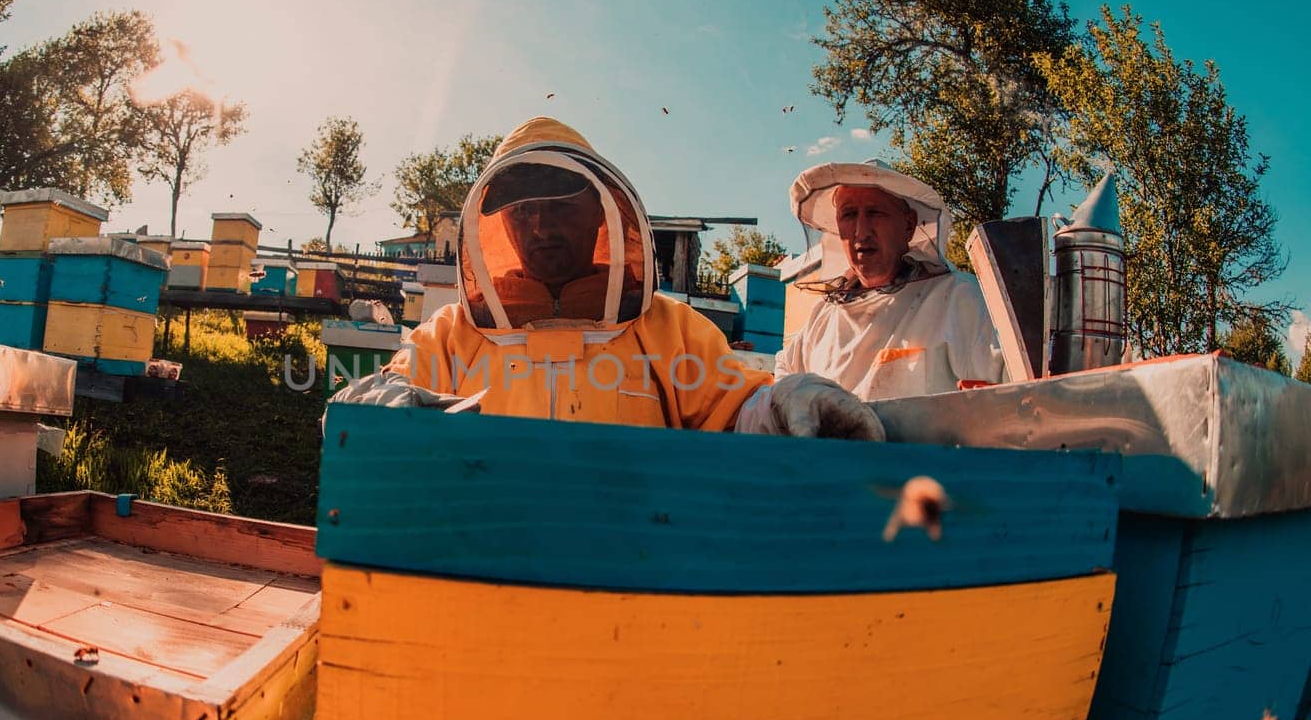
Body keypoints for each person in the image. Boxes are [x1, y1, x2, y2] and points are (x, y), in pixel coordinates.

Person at [333, 117, 883, 440]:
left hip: (634, 582)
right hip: (482, 575)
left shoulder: (667, 329)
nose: (541, 224)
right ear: (498, 226)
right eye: (522, 212)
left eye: (559, 205)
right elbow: (395, 385)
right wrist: (376, 405)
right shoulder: (453, 334)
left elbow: (735, 410)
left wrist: (786, 402)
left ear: (601, 213)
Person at [776, 160, 1006, 401]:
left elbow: (1010, 389)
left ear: (908, 224)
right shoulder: (822, 316)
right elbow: (783, 379)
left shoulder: (959, 298)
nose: (861, 231)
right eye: (849, 215)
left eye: (875, 213)